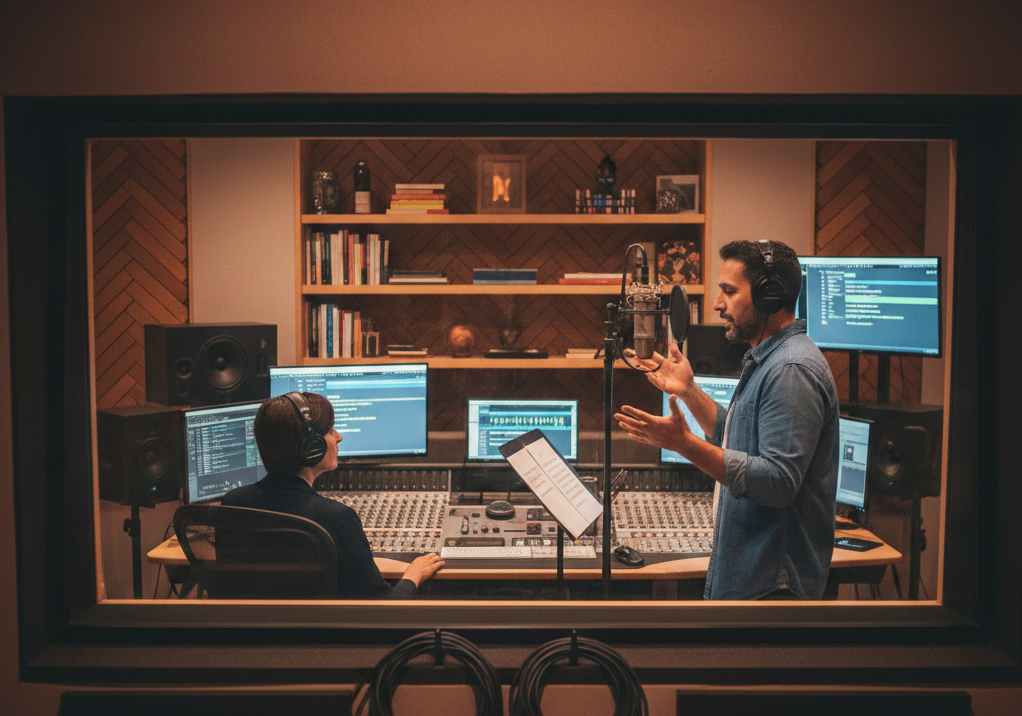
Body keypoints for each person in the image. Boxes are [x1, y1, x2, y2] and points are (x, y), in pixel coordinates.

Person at [615, 240, 839, 600]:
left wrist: (684, 444)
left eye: (729, 291)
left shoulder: (791, 370)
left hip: (769, 589)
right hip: (755, 581)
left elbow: (778, 482)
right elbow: (736, 436)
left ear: (770, 295)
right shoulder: (769, 360)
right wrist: (689, 391)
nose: (718, 304)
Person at [221, 392, 444, 598]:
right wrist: (414, 575)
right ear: (311, 447)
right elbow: (383, 607)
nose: (339, 437)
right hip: (321, 639)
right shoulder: (336, 517)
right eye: (330, 431)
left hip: (249, 636)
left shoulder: (233, 503)